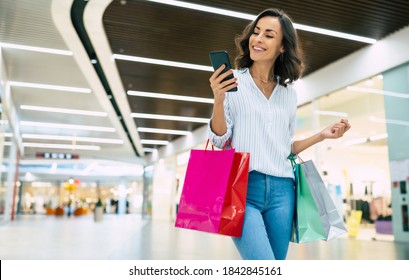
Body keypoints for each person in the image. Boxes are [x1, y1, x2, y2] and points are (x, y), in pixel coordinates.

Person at [207, 8, 351, 260]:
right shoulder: (233, 84)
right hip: (243, 188)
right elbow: (220, 140)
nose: (258, 39)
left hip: (283, 191)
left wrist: (321, 135)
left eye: (268, 35)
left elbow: (285, 149)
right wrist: (219, 99)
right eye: (256, 32)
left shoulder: (288, 94)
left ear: (282, 47)